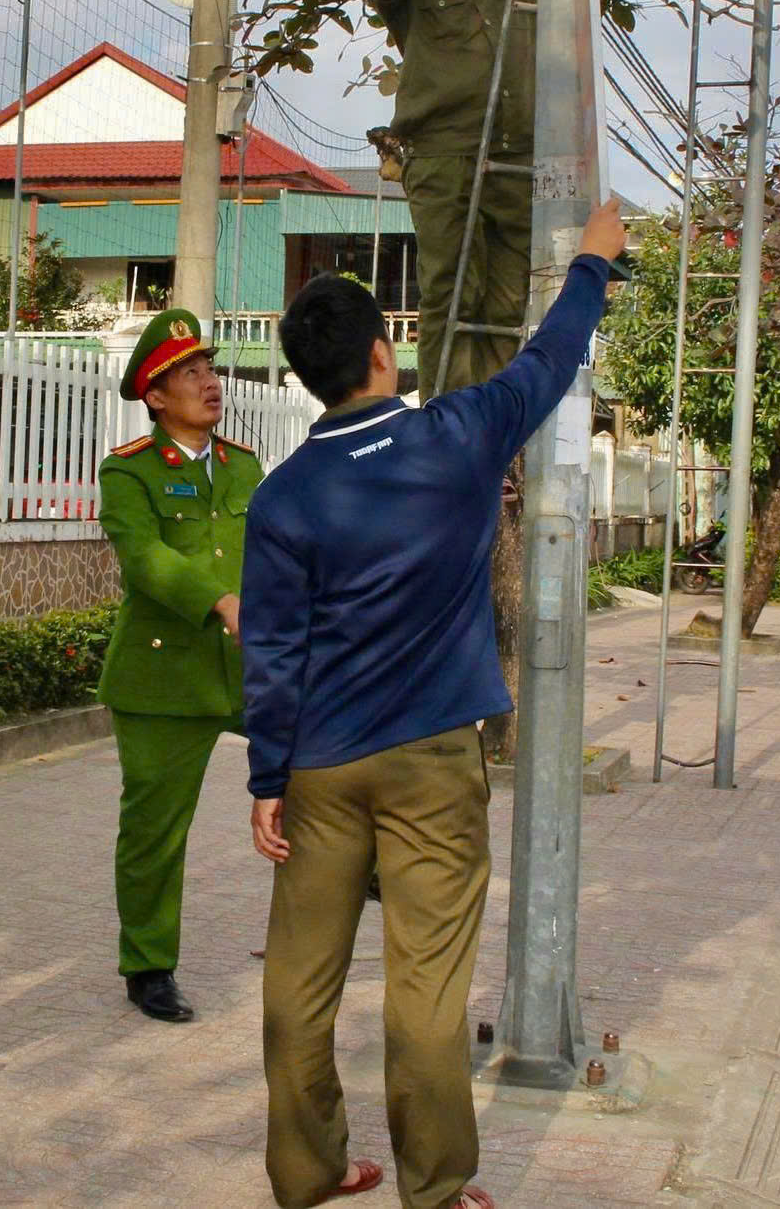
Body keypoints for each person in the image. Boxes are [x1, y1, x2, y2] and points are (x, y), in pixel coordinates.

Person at [241, 198, 627, 1209]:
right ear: (382, 354)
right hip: (431, 763)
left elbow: (273, 652)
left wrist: (267, 778)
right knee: (427, 983)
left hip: (320, 764)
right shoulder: (456, 437)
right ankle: (437, 1185)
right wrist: (591, 263)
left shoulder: (283, 496)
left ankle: (307, 1170)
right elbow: (548, 361)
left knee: (299, 982)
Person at [366, 0, 665, 398]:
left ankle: (492, 425)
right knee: (452, 291)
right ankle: (448, 420)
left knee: (505, 302)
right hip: (443, 151)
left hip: (518, 150)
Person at [96, 308, 263, 1022]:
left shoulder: (244, 464)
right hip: (163, 679)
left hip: (247, 665)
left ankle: (363, 870)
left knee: (327, 749)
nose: (209, 381)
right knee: (155, 832)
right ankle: (149, 965)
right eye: (189, 373)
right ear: (156, 395)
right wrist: (221, 600)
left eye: (209, 368)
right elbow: (145, 558)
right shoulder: (128, 470)